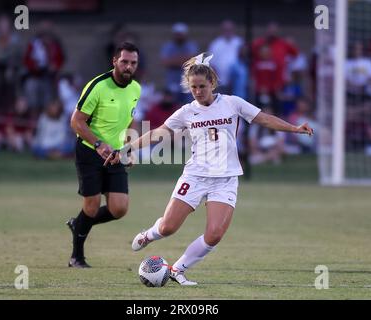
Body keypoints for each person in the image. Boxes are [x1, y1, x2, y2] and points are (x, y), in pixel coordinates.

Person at [105, 53, 313, 285]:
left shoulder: (232, 103)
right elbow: (157, 133)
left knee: (215, 234)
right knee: (168, 227)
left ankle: (177, 269)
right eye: (193, 87)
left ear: (212, 83)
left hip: (225, 178)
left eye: (202, 86)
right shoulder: (186, 112)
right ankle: (149, 234)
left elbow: (263, 119)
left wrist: (294, 128)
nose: (197, 91)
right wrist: (126, 149)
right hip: (195, 176)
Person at [66, 42, 141, 268]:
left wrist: (130, 147)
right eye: (125, 61)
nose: (129, 66)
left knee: (119, 208)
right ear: (115, 61)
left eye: (133, 63)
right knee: (91, 205)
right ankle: (76, 257)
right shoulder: (98, 86)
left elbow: (129, 120)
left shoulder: (136, 88)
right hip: (90, 151)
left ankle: (78, 224)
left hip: (116, 155)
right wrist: (98, 144)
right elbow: (76, 121)